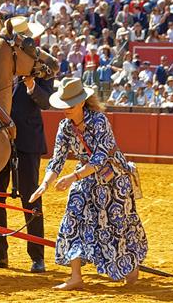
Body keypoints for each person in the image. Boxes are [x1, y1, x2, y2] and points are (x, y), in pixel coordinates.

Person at [30, 77, 148, 290]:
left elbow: (100, 158)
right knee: (72, 216)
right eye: (64, 104)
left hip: (114, 180)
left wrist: (72, 177)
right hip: (86, 178)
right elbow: (57, 160)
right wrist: (45, 184)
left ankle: (130, 266)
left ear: (82, 102)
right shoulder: (65, 127)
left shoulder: (99, 121)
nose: (66, 109)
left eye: (70, 104)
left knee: (117, 224)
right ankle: (76, 276)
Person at [0, 19, 53, 273]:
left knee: (31, 197)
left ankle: (37, 256)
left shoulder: (43, 66)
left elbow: (47, 102)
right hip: (1, 139)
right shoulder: (4, 65)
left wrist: (30, 85)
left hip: (27, 140)